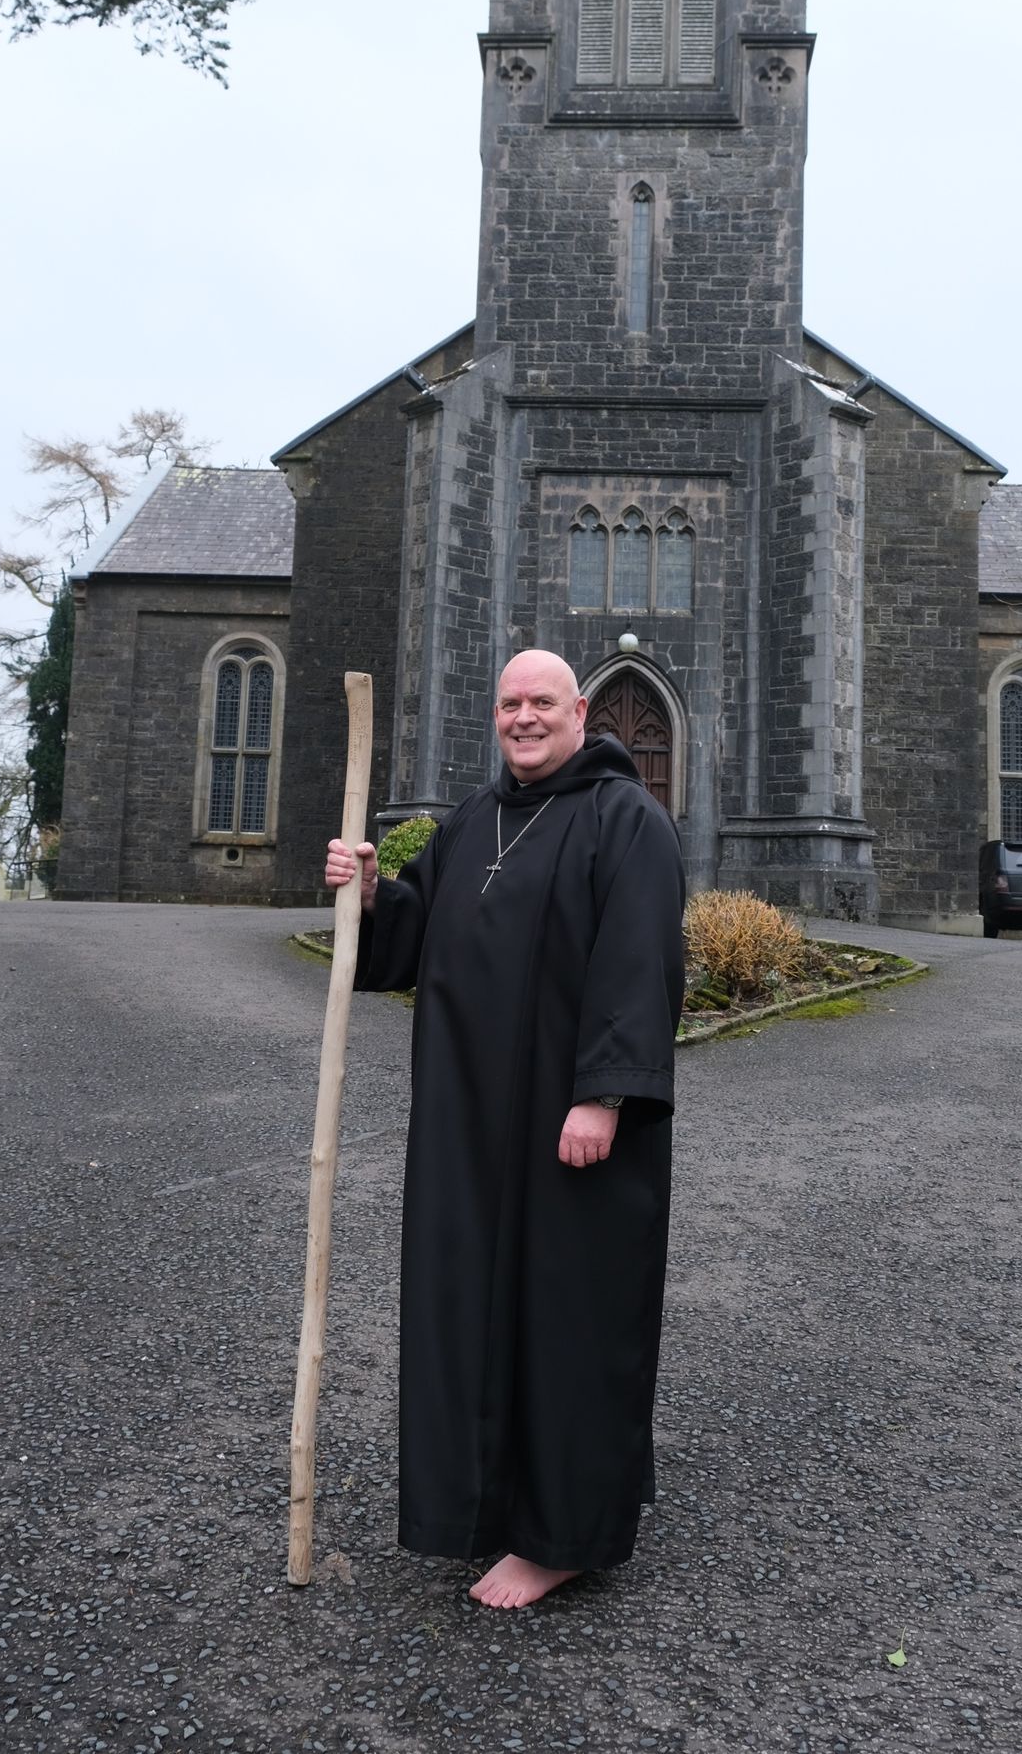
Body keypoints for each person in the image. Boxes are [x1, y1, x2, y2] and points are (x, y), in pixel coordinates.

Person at [325, 649, 684, 1609]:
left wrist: (605, 1095)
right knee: (475, 1313)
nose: (524, 718)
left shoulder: (627, 821)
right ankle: (487, 1507)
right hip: (469, 1126)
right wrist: (368, 897)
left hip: (573, 1129)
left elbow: (637, 959)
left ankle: (565, 1535)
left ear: (579, 711)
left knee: (569, 1321)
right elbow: (414, 943)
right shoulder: (470, 823)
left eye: (542, 703)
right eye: (508, 704)